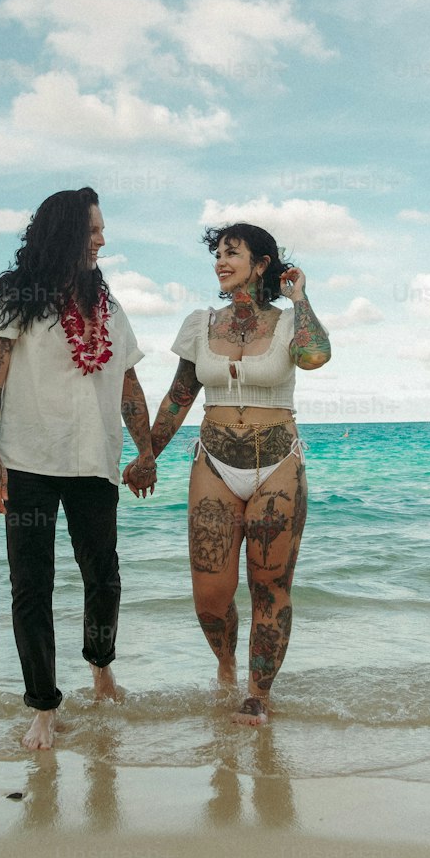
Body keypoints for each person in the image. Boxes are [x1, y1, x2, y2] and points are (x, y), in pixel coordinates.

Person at [0, 187, 157, 751]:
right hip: (28, 461)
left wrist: (145, 450)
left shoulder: (109, 305)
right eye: (94, 230)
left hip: (95, 462)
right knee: (32, 588)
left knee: (103, 577)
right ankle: (44, 708)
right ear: (66, 232)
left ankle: (101, 669)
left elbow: (128, 382)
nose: (103, 238)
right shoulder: (13, 296)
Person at [128, 222, 330, 726]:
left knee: (270, 586)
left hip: (278, 463)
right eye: (217, 253)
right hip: (214, 463)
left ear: (260, 264)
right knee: (210, 595)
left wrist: (300, 299)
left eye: (232, 253)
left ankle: (257, 696)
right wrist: (147, 452)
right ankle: (226, 664)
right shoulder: (200, 323)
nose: (220, 261)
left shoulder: (288, 325)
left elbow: (315, 356)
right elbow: (179, 396)